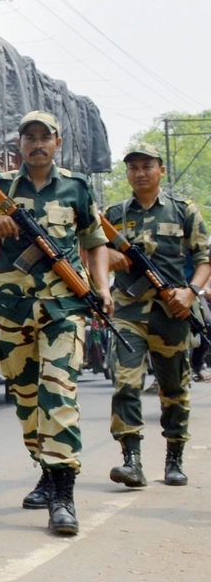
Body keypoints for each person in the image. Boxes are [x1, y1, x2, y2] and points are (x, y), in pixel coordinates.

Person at [0, 111, 106, 535]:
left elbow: (95, 242)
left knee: (58, 393)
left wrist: (101, 287)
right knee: (27, 398)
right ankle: (46, 472)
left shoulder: (76, 186)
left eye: (44, 136)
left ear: (57, 141)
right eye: (28, 137)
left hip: (64, 308)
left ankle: (63, 495)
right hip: (14, 310)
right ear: (20, 145)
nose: (37, 143)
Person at [92, 142, 210, 488]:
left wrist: (191, 292)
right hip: (127, 309)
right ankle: (132, 461)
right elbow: (94, 253)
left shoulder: (184, 211)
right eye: (133, 168)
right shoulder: (112, 215)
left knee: (174, 388)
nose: (140, 173)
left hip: (171, 310)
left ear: (161, 170)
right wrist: (112, 261)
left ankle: (174, 458)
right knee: (125, 382)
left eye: (147, 166)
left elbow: (205, 259)